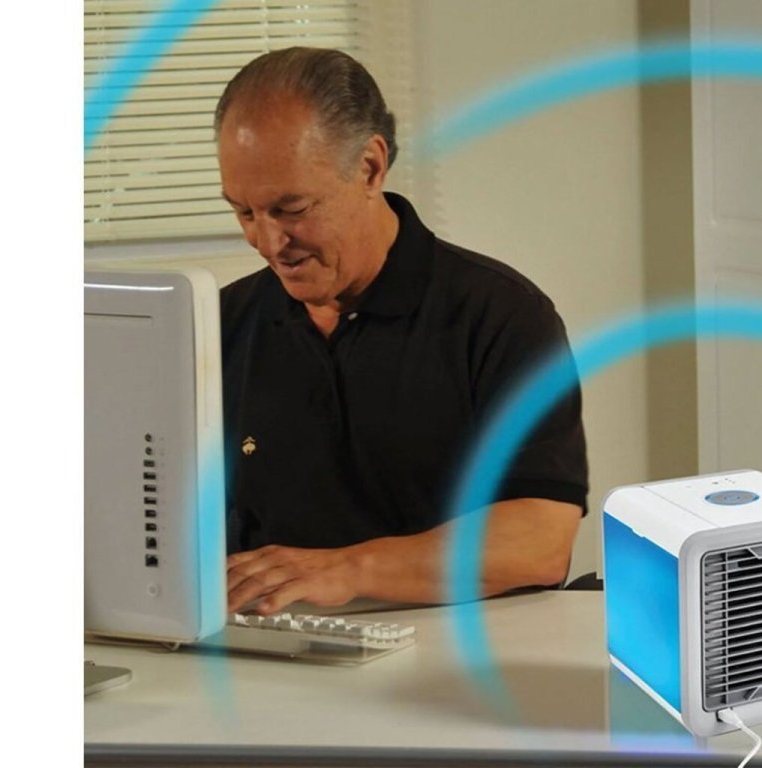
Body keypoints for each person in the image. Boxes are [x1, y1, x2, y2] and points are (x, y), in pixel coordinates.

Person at [216, 47, 588, 614]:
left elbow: (540, 542)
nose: (267, 243)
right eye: (245, 212)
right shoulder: (221, 321)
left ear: (370, 166)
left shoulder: (502, 315)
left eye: (292, 209)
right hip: (273, 641)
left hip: (463, 641)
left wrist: (348, 569)